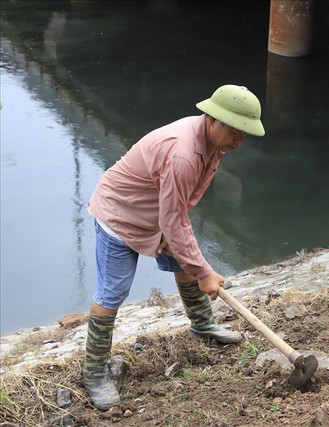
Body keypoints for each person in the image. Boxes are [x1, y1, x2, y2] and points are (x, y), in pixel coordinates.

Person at [82, 84, 265, 410]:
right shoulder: (183, 153)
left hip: (157, 215)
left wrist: (190, 256)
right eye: (235, 132)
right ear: (212, 119)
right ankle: (94, 371)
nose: (239, 141)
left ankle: (201, 323)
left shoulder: (214, 144)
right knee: (113, 292)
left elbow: (175, 213)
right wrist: (206, 272)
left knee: (185, 260)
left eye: (245, 134)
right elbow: (173, 219)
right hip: (120, 216)